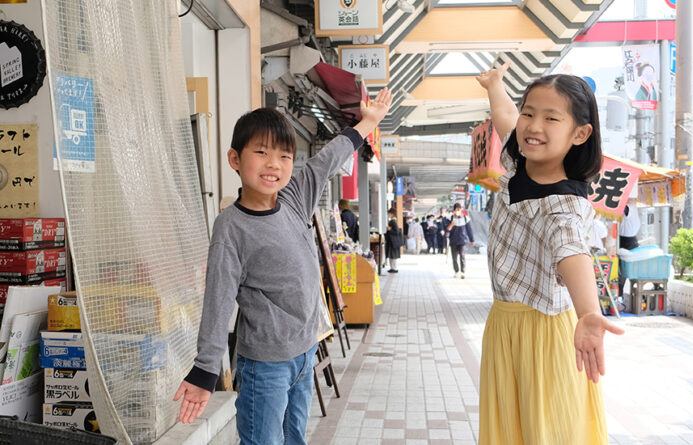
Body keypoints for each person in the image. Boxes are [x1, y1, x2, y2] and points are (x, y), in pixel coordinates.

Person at [173, 89, 393, 444]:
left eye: (284, 156)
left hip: (304, 353)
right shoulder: (231, 227)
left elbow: (329, 158)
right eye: (261, 152)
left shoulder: (294, 199)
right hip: (265, 366)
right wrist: (205, 370)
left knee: (296, 440)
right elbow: (218, 300)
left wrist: (368, 123)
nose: (274, 164)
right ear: (235, 158)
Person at [476, 62, 624, 444]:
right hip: (504, 325)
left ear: (580, 133)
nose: (533, 126)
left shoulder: (564, 205)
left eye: (551, 118)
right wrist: (494, 86)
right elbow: (506, 118)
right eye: (530, 113)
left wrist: (588, 314)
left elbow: (573, 254)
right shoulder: (518, 163)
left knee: (548, 432)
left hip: (543, 335)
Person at [618, 199, 640, 297]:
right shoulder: (632, 205)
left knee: (623, 271)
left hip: (628, 242)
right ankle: (620, 294)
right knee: (622, 271)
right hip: (626, 240)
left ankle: (620, 295)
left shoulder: (629, 206)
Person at [446, 202, 474, 279]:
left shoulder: (465, 218)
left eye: (459, 209)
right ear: (454, 210)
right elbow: (447, 229)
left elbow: (469, 230)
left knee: (462, 256)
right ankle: (456, 271)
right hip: (453, 241)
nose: (458, 211)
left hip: (463, 241)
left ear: (461, 209)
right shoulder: (450, 218)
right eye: (456, 209)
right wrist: (451, 224)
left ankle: (463, 272)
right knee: (454, 258)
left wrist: (472, 240)